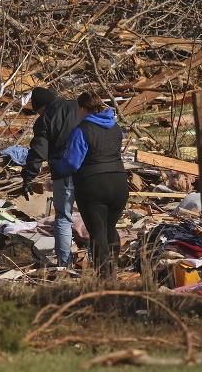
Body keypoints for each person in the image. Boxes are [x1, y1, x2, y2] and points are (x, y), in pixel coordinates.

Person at [53, 91, 127, 278]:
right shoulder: (115, 127)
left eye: (78, 109)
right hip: (119, 182)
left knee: (98, 231)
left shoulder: (82, 130)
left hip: (93, 185)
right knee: (110, 227)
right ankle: (113, 270)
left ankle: (104, 277)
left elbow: (72, 162)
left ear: (83, 108)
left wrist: (56, 168)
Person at [21, 86, 80, 267]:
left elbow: (38, 151)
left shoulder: (44, 120)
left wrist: (28, 177)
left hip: (63, 173)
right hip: (89, 171)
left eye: (37, 111)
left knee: (63, 217)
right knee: (92, 215)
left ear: (41, 107)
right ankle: (98, 263)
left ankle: (64, 264)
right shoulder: (77, 107)